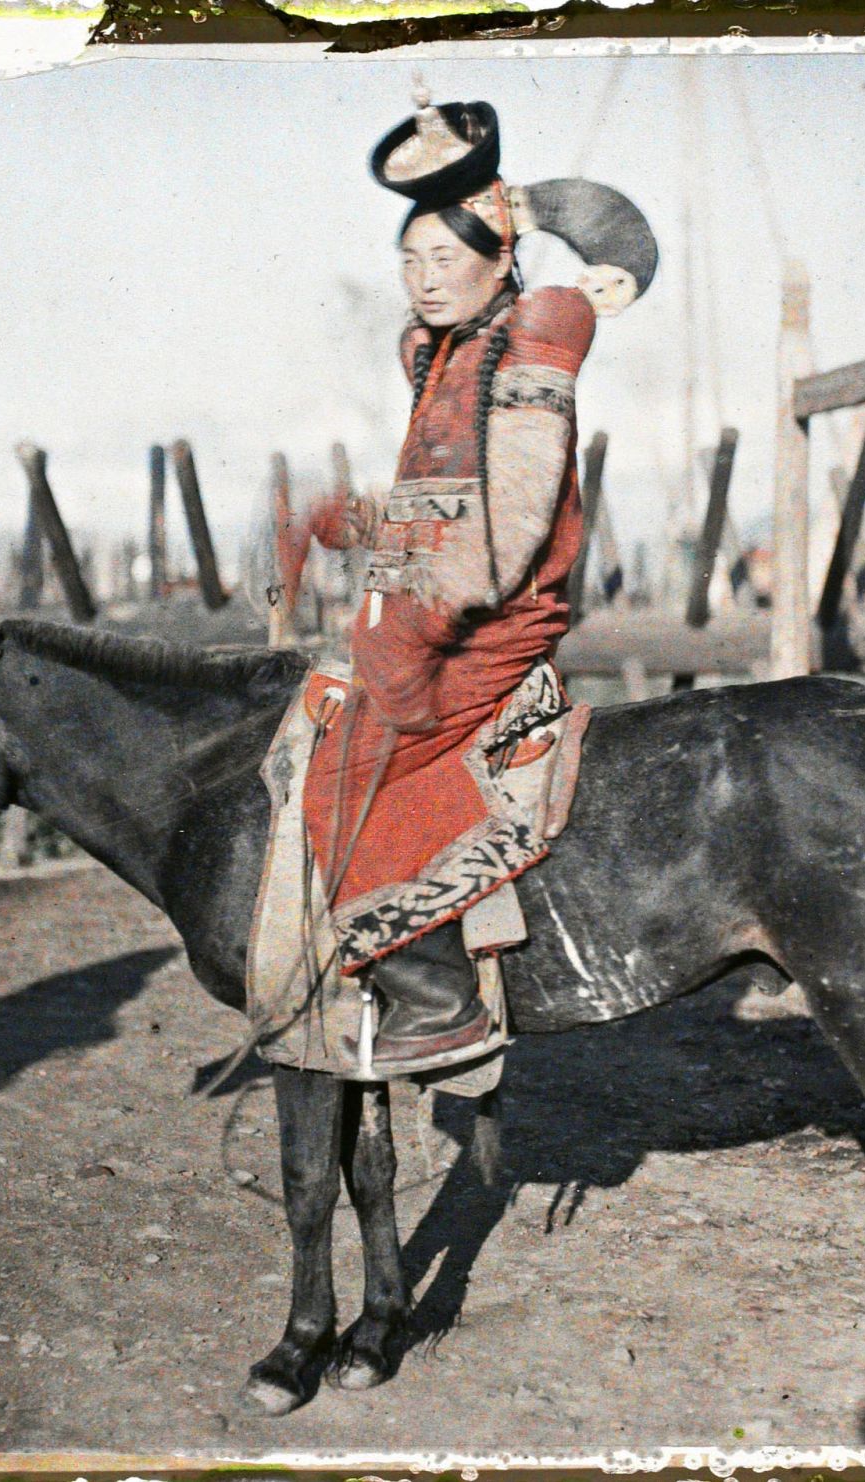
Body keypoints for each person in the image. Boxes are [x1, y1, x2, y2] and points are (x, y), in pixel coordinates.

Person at [295, 92, 656, 1071]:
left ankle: (434, 994)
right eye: (408, 263)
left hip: (494, 619)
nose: (422, 280)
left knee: (354, 766)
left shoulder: (536, 333)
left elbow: (513, 526)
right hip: (426, 606)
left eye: (444, 259)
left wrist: (411, 626)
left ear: (501, 261)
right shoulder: (433, 352)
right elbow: (437, 501)